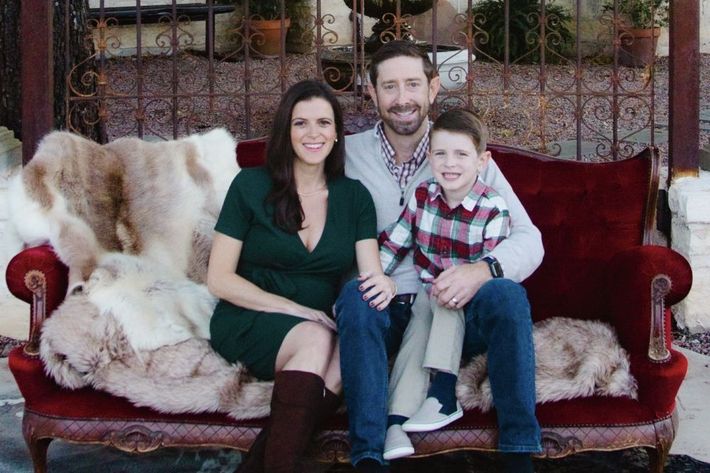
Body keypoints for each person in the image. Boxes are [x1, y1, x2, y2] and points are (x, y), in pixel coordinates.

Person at [335, 40, 544, 473]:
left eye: (412, 84)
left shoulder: (460, 152)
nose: (402, 97)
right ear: (371, 93)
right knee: (356, 297)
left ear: (432, 89)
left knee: (506, 295)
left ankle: (519, 453)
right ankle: (369, 455)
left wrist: (480, 271)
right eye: (389, 86)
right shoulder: (348, 155)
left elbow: (529, 238)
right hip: (387, 305)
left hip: (457, 310)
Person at [207, 79, 396, 473]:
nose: (314, 134)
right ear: (285, 131)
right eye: (301, 123)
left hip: (320, 325)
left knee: (350, 354)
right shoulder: (250, 185)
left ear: (337, 133)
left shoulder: (354, 197)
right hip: (250, 317)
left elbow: (370, 273)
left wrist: (386, 283)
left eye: (324, 124)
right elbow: (219, 279)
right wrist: (296, 310)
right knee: (316, 337)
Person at [378, 109, 511, 460]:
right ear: (429, 157)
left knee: (446, 294)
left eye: (461, 155)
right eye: (440, 154)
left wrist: (456, 284)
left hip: (472, 315)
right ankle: (395, 422)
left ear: (483, 160)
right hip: (429, 297)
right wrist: (374, 276)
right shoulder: (423, 197)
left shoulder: (493, 209)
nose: (449, 164)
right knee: (418, 325)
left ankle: (443, 392)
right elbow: (395, 244)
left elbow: (489, 276)